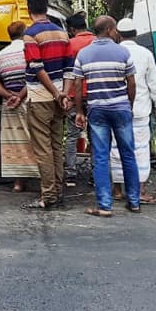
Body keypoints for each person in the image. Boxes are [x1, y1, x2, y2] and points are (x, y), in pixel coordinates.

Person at [69, 16, 139, 217]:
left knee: (100, 157)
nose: (117, 32)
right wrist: (129, 105)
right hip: (121, 109)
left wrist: (81, 111)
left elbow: (77, 85)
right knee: (128, 154)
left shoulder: (84, 54)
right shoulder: (122, 52)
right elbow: (131, 83)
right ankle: (134, 202)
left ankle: (104, 206)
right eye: (115, 29)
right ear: (109, 30)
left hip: (97, 110)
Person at [22, 0, 73, 210]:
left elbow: (36, 68)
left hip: (41, 96)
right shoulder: (62, 33)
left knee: (43, 148)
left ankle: (48, 195)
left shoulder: (30, 34)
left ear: (28, 8)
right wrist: (64, 94)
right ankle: (58, 192)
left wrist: (54, 92)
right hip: (60, 97)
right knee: (56, 145)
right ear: (47, 8)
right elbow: (70, 68)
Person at [111, 17, 156, 205]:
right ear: (136, 34)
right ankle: (140, 190)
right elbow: (153, 83)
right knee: (140, 149)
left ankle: (117, 190)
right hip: (140, 109)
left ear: (117, 33)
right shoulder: (145, 54)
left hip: (117, 108)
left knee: (116, 148)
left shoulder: (114, 52)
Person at [0, 21, 38, 192]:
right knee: (36, 139)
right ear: (25, 33)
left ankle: (18, 182)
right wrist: (21, 95)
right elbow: (35, 75)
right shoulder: (29, 51)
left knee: (14, 142)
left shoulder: (0, 56)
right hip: (30, 100)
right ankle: (42, 178)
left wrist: (9, 95)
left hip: (9, 104)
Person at [64, 12, 95, 188]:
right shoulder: (96, 43)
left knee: (72, 135)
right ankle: (94, 173)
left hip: (75, 96)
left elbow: (68, 72)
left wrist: (67, 96)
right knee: (96, 135)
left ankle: (70, 174)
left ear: (72, 29)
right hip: (94, 96)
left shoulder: (70, 44)